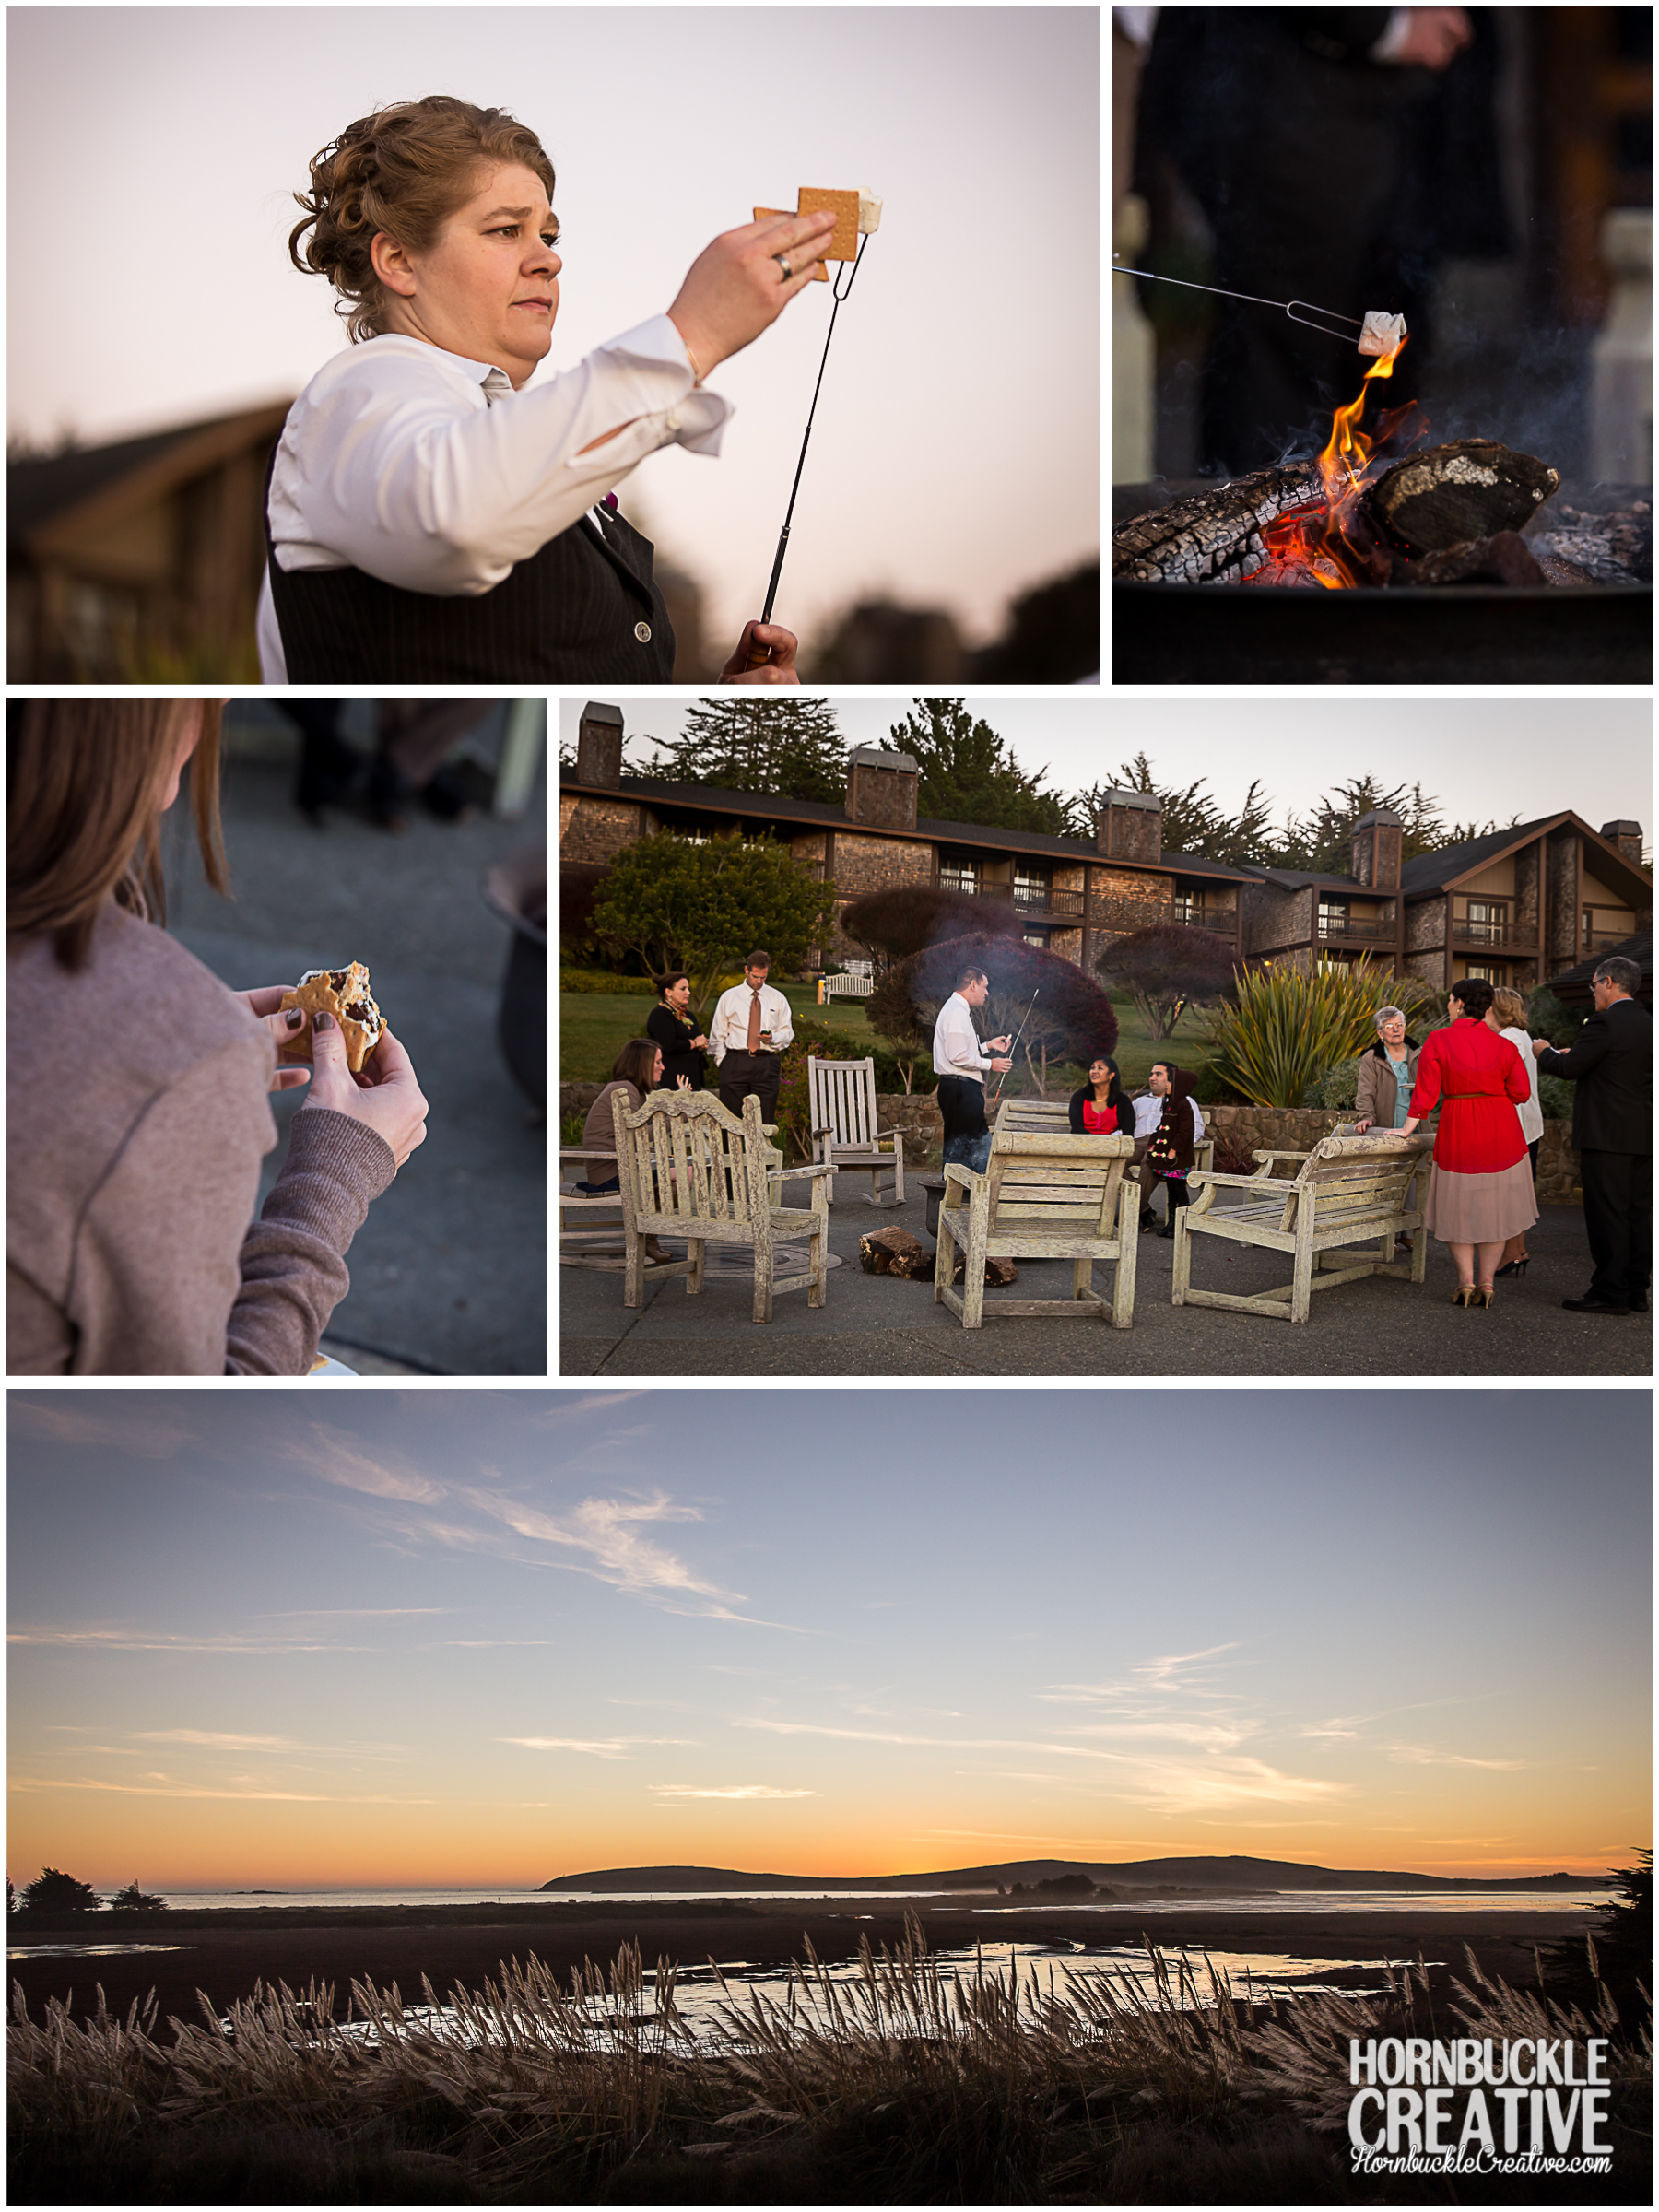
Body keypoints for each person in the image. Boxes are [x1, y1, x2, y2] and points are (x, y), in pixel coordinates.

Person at [263, 95, 838, 685]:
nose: (546, 260)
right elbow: (454, 520)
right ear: (400, 261)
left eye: (549, 237)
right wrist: (690, 338)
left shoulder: (500, 427)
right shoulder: (356, 392)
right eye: (506, 230)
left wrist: (718, 706)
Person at [7, 701, 429, 1375]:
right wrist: (336, 1176)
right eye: (211, 693)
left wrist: (169, 1052)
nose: (220, 707)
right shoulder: (182, 1057)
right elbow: (210, 1419)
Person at [1396, 977, 1535, 1307]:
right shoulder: (1505, 1045)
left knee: (1458, 1209)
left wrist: (1405, 1130)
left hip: (1460, 1126)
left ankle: (1466, 1282)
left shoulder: (1439, 1039)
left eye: (1449, 1000)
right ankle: (1487, 1282)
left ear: (1459, 1003)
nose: (1448, 1005)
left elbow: (1426, 1094)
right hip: (1502, 1131)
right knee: (1496, 1212)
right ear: (1486, 1007)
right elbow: (1521, 1092)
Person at [1532, 956, 1651, 1316]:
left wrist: (1544, 1052)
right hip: (1643, 1136)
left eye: (1595, 985)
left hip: (1606, 1136)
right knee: (1638, 1216)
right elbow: (1616, 1067)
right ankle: (1635, 1291)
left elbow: (1568, 1068)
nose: (1593, 992)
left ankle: (1608, 1293)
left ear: (1609, 982)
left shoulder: (1605, 1021)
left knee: (1607, 1216)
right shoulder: (1648, 1022)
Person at [579, 1038, 682, 1265]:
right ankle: (647, 1239)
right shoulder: (624, 1089)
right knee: (686, 1174)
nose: (662, 1067)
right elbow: (636, 1137)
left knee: (679, 1175)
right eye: (658, 1062)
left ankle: (647, 1237)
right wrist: (672, 1119)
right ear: (642, 1064)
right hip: (610, 1174)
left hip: (618, 1166)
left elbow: (632, 1136)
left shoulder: (629, 1089)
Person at [931, 966, 1014, 1174]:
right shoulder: (957, 1012)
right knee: (973, 1150)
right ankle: (967, 1200)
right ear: (973, 984)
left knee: (958, 1149)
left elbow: (959, 1050)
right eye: (985, 987)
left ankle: (953, 1197)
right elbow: (956, 1056)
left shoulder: (954, 1009)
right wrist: (990, 1064)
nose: (987, 993)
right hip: (962, 1090)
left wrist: (988, 1046)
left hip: (957, 1088)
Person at [1489, 983, 1543, 1277]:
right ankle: (1517, 1251)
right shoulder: (1521, 1035)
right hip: (1528, 1125)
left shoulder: (1510, 1038)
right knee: (1518, 1190)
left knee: (1511, 1192)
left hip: (1517, 1126)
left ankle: (1512, 1252)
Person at [710, 952, 794, 1127]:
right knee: (731, 1122)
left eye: (763, 977)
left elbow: (788, 1033)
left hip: (766, 1063)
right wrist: (723, 1061)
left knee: (764, 1123)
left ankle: (760, 1155)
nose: (759, 981)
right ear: (746, 970)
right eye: (755, 976)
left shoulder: (777, 998)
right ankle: (731, 1154)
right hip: (735, 1062)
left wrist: (773, 1038)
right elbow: (718, 1033)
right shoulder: (729, 997)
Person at [1131, 1059, 1206, 1230]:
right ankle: (1147, 1212)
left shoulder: (1185, 1103)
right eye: (1151, 1074)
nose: (1153, 1077)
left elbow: (1192, 1130)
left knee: (1170, 1182)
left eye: (1159, 1074)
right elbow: (1126, 1125)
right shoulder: (1144, 1102)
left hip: (1168, 1152)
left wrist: (1174, 1149)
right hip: (1143, 1144)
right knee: (1116, 1162)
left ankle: (1179, 1222)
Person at [1353, 1005, 1420, 1133]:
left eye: (1399, 1025)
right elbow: (1365, 1092)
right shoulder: (1372, 1058)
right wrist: (1366, 1116)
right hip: (1385, 1131)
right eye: (1389, 1026)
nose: (1396, 1030)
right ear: (1380, 1033)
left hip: (1416, 1131)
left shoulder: (1418, 1054)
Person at [646, 973, 708, 1091]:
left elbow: (698, 1037)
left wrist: (702, 1044)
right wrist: (694, 1043)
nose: (688, 992)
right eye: (683, 989)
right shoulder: (660, 1014)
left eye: (688, 989)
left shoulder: (688, 1015)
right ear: (668, 992)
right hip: (671, 1079)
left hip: (691, 1079)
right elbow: (668, 1044)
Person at [1069, 1054, 1126, 1134]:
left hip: (1112, 1144)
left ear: (1111, 1075)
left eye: (1100, 1068)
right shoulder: (1079, 1096)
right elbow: (1077, 1127)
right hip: (1082, 1142)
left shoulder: (1122, 1100)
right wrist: (1096, 1142)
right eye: (1092, 1068)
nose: (1094, 1071)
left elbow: (1127, 1131)